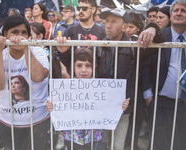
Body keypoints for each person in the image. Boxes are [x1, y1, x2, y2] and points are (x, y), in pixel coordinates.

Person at [98, 7, 165, 150]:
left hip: (124, 109)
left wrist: (152, 28)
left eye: (114, 22)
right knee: (103, 144)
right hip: (102, 106)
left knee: (118, 146)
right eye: (107, 21)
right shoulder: (99, 45)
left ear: (125, 27)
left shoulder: (135, 46)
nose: (108, 25)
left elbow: (160, 40)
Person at [46, 47, 130, 150]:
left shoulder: (101, 88)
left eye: (88, 65)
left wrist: (120, 107)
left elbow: (109, 109)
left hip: (94, 138)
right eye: (79, 65)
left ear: (94, 66)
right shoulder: (65, 88)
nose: (84, 70)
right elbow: (57, 108)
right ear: (73, 66)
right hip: (72, 137)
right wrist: (51, 108)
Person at [0, 15, 50, 150]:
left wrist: (26, 48)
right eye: (14, 32)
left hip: (39, 122)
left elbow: (38, 77)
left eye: (23, 33)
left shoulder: (38, 52)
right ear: (5, 34)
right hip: (7, 124)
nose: (19, 36)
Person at [140, 0, 186, 149]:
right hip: (161, 103)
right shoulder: (159, 37)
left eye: (183, 10)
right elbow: (145, 67)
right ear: (171, 15)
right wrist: (149, 97)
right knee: (159, 145)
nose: (179, 13)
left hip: (184, 105)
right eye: (176, 10)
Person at [56, 0, 106, 72]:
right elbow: (63, 53)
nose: (81, 11)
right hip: (75, 76)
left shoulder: (102, 31)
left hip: (96, 75)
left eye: (84, 8)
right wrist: (64, 72)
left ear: (93, 9)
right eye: (79, 8)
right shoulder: (71, 30)